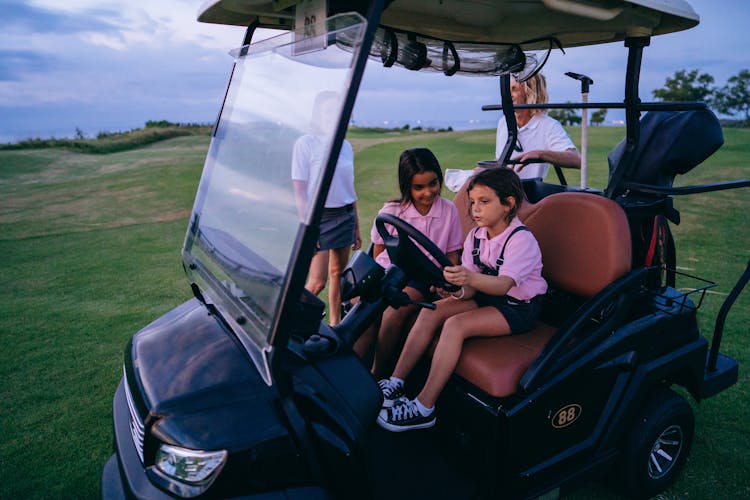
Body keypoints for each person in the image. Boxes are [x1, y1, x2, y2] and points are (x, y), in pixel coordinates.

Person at [376, 168, 547, 432]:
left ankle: (424, 407)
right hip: (486, 297)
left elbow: (503, 285)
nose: (475, 210)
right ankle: (396, 382)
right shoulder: (476, 237)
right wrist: (456, 291)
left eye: (484, 202)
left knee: (456, 325)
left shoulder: (520, 240)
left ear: (509, 203)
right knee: (434, 309)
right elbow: (471, 287)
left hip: (516, 308)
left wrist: (467, 280)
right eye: (473, 202)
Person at [353, 148, 463, 377]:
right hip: (390, 272)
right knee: (365, 306)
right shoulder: (392, 211)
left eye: (433, 183)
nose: (428, 192)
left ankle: (378, 374)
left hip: (422, 278)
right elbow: (379, 250)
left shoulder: (449, 211)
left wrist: (447, 281)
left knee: (395, 310)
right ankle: (351, 370)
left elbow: (452, 254)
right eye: (419, 187)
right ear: (407, 186)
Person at [292, 91, 362, 325]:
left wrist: (357, 228)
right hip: (319, 219)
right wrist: (308, 229)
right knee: (317, 281)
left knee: (337, 277)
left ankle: (335, 325)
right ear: (318, 114)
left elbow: (348, 190)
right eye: (328, 111)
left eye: (338, 111)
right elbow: (300, 192)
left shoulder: (346, 146)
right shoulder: (305, 144)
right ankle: (293, 325)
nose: (333, 116)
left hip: (344, 216)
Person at [496, 73, 581, 179]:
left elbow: (576, 159)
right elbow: (500, 162)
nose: (508, 95)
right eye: (507, 90)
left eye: (514, 89)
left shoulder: (548, 125)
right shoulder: (503, 122)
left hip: (529, 191)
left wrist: (540, 154)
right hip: (504, 187)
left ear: (529, 93)